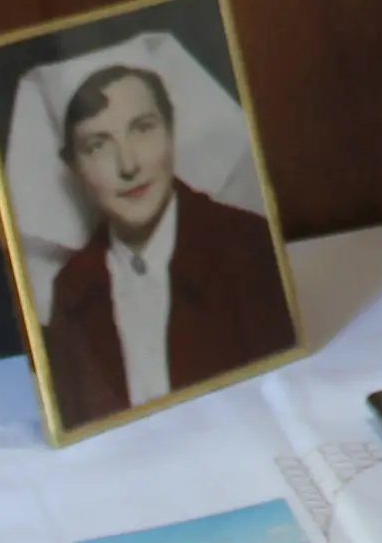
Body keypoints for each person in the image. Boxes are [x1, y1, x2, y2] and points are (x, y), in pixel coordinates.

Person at [38, 61, 297, 429]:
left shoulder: (249, 250)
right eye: (97, 146)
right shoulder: (72, 290)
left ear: (171, 131)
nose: (128, 165)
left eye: (142, 129)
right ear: (75, 168)